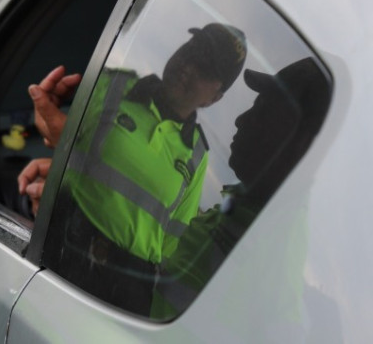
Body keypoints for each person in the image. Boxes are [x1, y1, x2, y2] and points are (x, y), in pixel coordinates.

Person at [17, 23, 247, 313]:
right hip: (64, 248)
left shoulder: (198, 155)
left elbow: (170, 245)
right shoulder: (110, 86)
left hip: (127, 290)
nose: (189, 66)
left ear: (215, 98)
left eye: (204, 68)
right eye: (190, 51)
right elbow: (59, 140)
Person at [153, 57, 330, 318]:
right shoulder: (242, 211)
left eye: (263, 110)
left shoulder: (277, 244)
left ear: (300, 143)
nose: (241, 120)